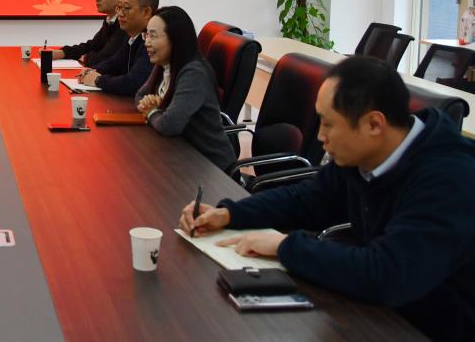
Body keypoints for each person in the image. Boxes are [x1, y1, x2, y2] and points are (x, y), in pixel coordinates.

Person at [178, 56, 475, 341]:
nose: (320, 136)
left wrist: (284, 247)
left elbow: (388, 274)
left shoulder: (449, 179)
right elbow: (306, 199)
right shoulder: (365, 154)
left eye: (329, 124)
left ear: (374, 124)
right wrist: (230, 214)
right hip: (381, 315)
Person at [135, 6, 235, 171]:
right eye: (146, 35)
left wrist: (153, 112)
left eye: (153, 36)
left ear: (175, 39)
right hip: (180, 153)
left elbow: (170, 124)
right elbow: (140, 96)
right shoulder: (165, 64)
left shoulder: (193, 73)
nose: (147, 42)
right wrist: (153, 107)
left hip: (211, 167)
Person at [77, 0, 157, 96]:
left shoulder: (152, 41)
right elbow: (114, 62)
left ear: (146, 12)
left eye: (126, 8)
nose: (120, 14)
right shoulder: (131, 36)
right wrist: (92, 70)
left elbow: (133, 82)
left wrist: (98, 80)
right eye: (118, 7)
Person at [52, 0, 131, 67]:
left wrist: (85, 57)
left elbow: (103, 58)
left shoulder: (127, 23)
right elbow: (93, 45)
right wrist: (62, 53)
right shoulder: (110, 20)